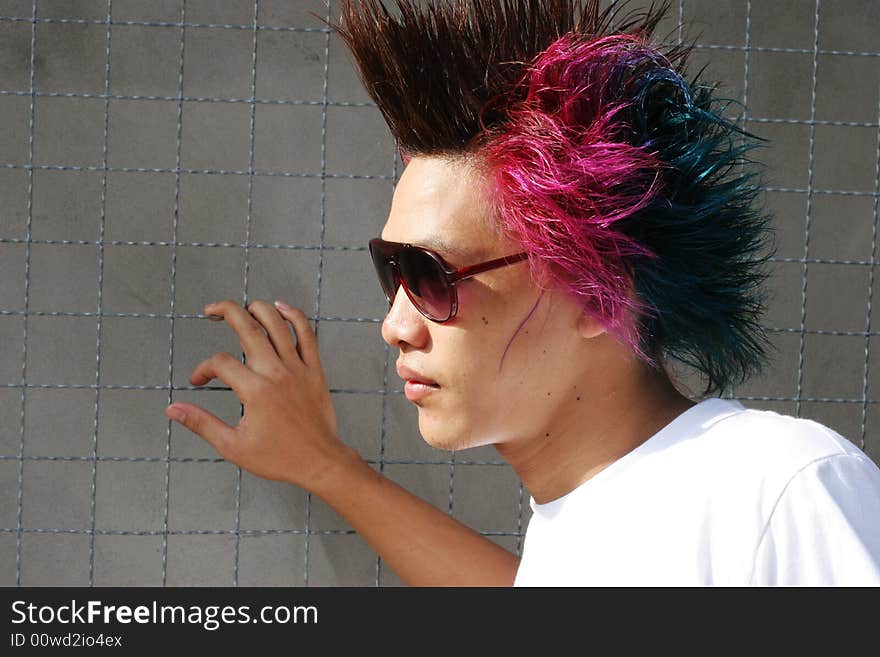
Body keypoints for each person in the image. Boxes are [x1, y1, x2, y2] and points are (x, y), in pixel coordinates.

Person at [163, 0, 880, 585]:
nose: (394, 325)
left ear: (600, 289)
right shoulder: (582, 532)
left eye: (432, 275)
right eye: (393, 272)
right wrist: (327, 467)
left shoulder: (779, 489)